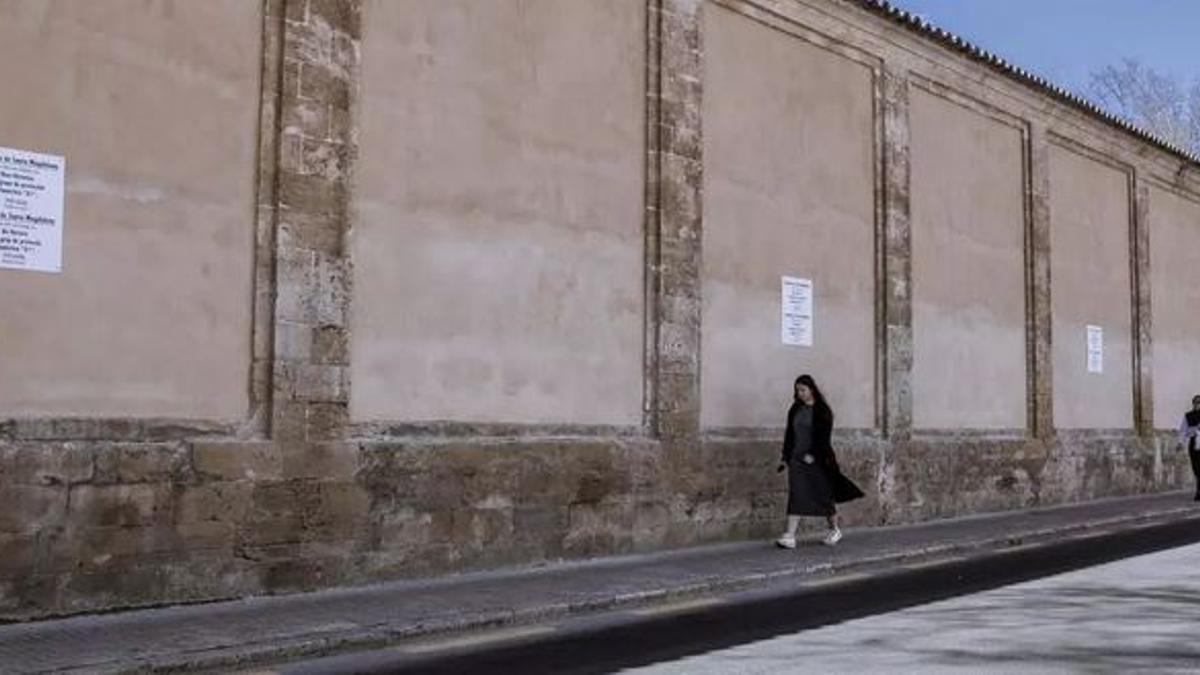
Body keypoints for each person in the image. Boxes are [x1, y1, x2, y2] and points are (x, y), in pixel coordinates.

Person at [775, 374, 864, 549]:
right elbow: (789, 434)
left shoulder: (822, 410)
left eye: (803, 390)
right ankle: (790, 536)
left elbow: (824, 438)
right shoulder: (795, 409)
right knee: (797, 494)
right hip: (797, 459)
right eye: (797, 390)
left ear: (812, 390)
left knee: (824, 496)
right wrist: (786, 457)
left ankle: (834, 529)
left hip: (818, 460)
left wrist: (813, 455)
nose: (800, 393)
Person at [1177, 394, 1200, 501]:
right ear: (1193, 403)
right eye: (1196, 402)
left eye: (1199, 402)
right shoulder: (1188, 416)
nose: (1197, 404)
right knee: (1196, 467)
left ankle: (1199, 491)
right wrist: (1180, 443)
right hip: (1194, 443)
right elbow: (1183, 430)